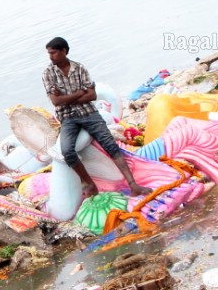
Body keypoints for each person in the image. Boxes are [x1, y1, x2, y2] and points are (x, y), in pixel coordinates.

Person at [42, 37, 149, 201]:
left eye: (54, 53)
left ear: (64, 51)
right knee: (67, 151)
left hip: (88, 113)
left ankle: (133, 184)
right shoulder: (48, 74)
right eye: (49, 53)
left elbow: (92, 95)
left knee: (110, 144)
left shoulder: (79, 69)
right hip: (68, 118)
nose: (51, 57)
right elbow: (56, 101)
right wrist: (79, 93)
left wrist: (67, 98)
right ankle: (90, 184)